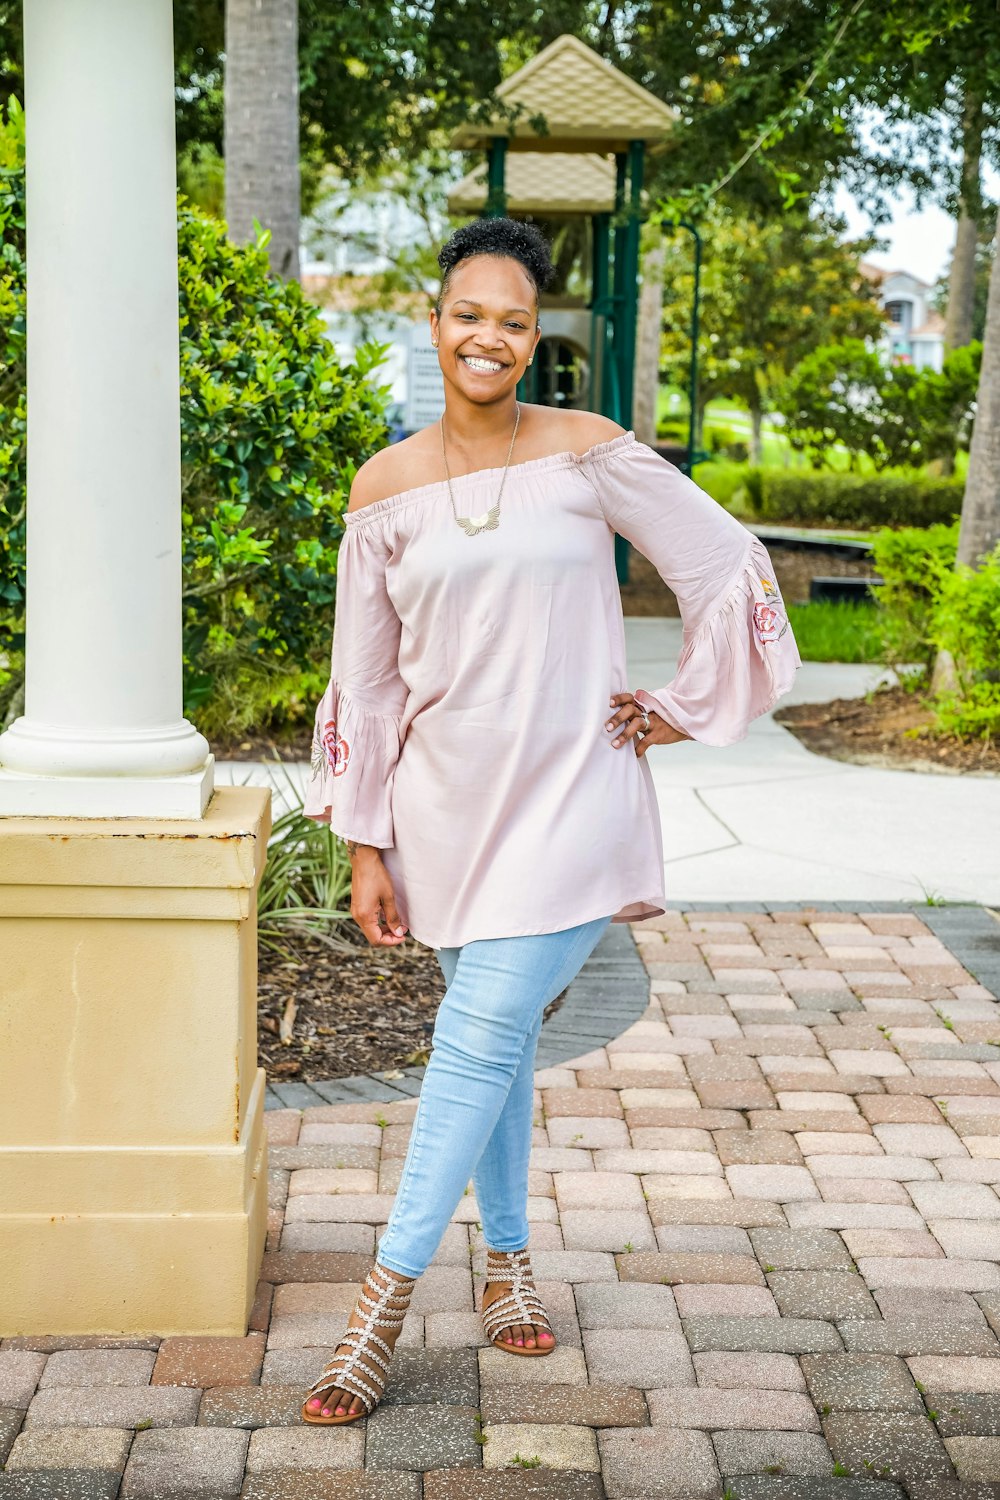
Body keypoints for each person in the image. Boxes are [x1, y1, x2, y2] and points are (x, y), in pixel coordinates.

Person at [299, 217, 801, 1425]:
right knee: (504, 1039)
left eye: (514, 322)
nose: (489, 336)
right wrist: (364, 843)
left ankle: (379, 1307)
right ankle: (510, 1263)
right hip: (445, 810)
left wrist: (681, 708)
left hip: (573, 796)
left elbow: (727, 562)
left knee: (474, 1037)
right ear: (435, 325)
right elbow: (363, 683)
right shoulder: (385, 486)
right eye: (469, 313)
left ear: (536, 342)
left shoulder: (588, 453)